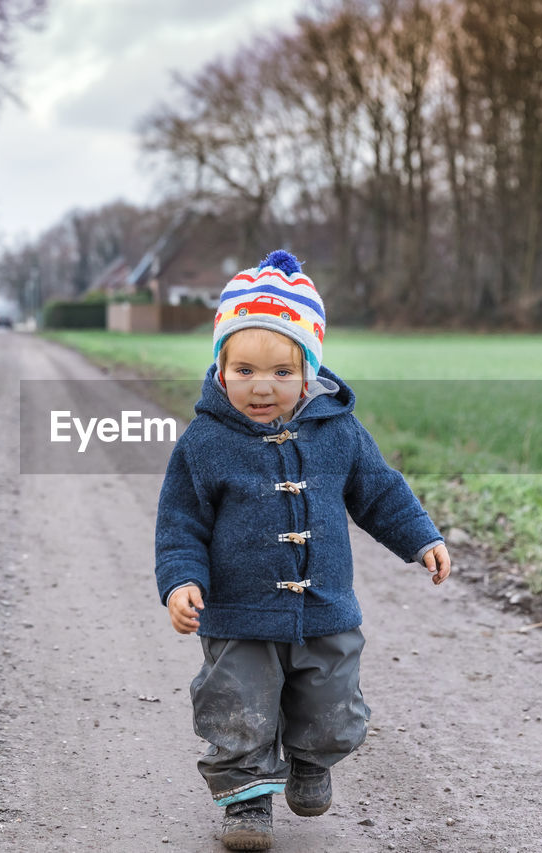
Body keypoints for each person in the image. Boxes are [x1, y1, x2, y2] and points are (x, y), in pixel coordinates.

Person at [154, 250, 452, 851]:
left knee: (331, 700)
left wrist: (421, 537)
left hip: (325, 607)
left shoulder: (337, 430)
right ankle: (247, 804)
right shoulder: (205, 442)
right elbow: (180, 522)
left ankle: (313, 761)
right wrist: (181, 581)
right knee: (238, 706)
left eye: (282, 374)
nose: (261, 387)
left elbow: (379, 491)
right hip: (238, 611)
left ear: (309, 371)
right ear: (220, 366)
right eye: (243, 371)